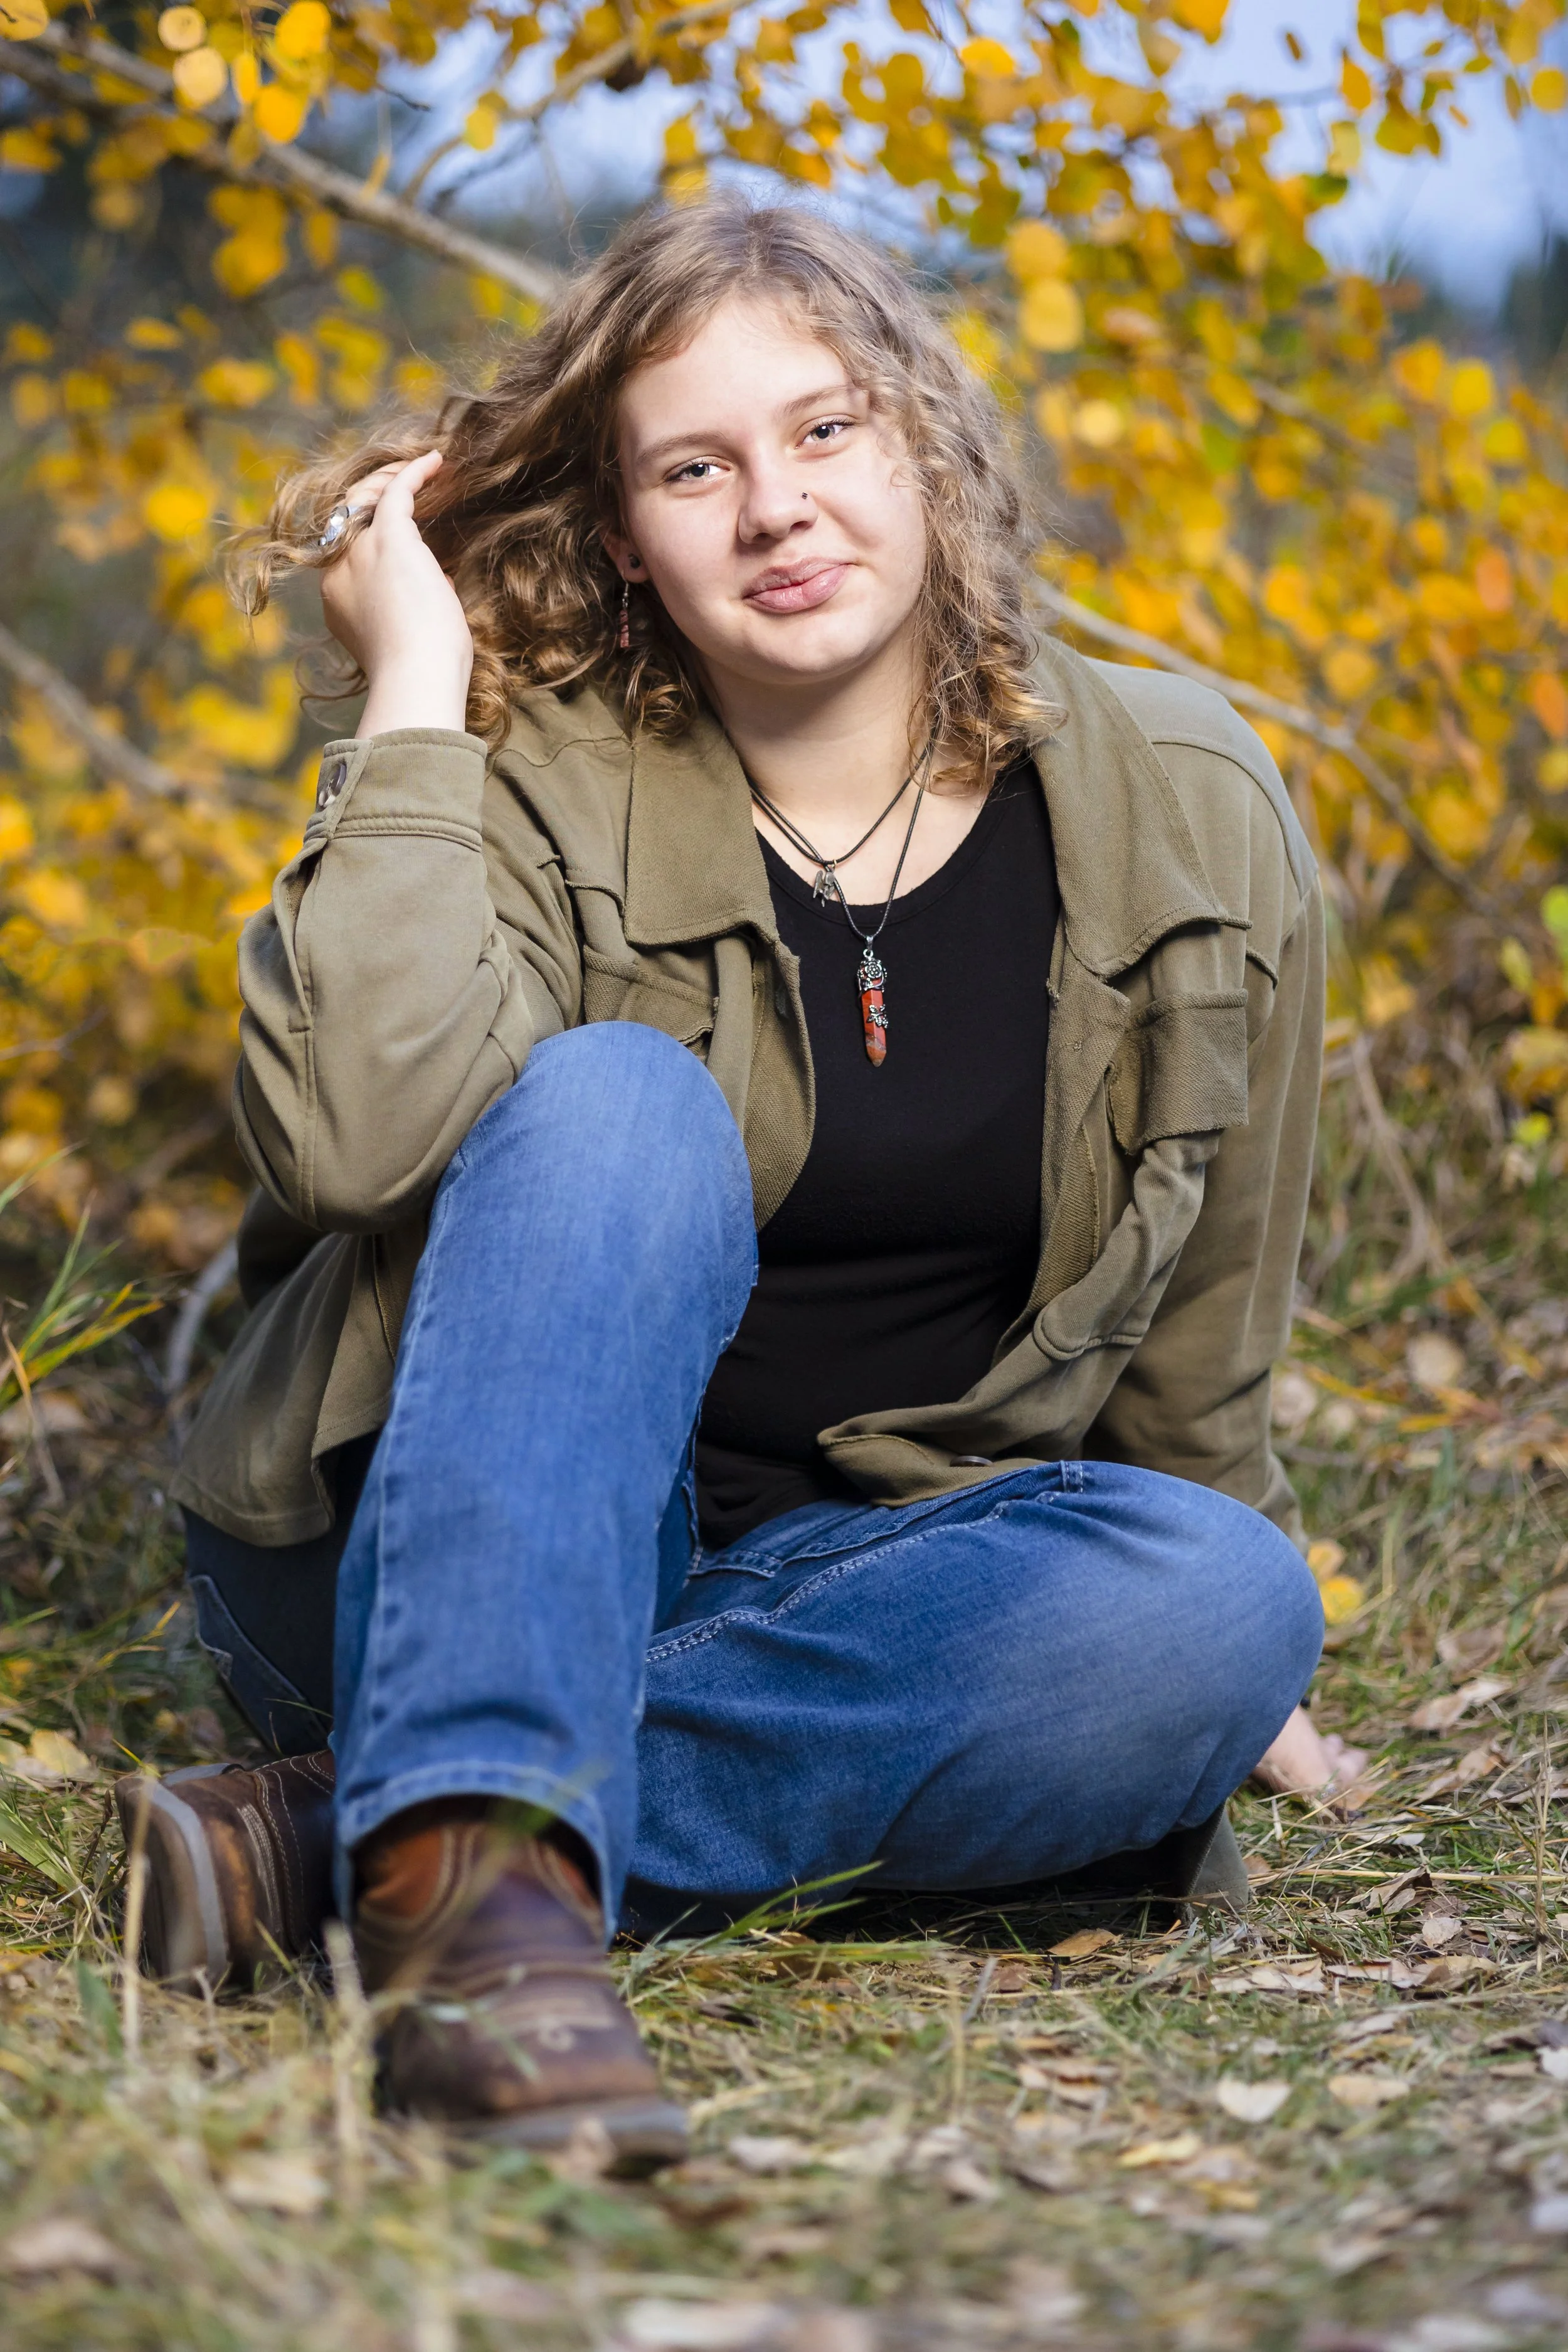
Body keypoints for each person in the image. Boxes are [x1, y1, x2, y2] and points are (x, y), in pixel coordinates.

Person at [120, 197, 1330, 2172]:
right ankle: (479, 1897)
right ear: (624, 536)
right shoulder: (519, 771)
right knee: (618, 1109)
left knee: (1221, 1600)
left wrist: (1201, 1665)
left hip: (860, 1585)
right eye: (697, 466)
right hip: (418, 1561)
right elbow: (343, 1134)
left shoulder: (1187, 800)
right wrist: (413, 697)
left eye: (827, 431)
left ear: (925, 450)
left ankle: (363, 1833)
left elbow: (1208, 1300)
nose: (776, 506)